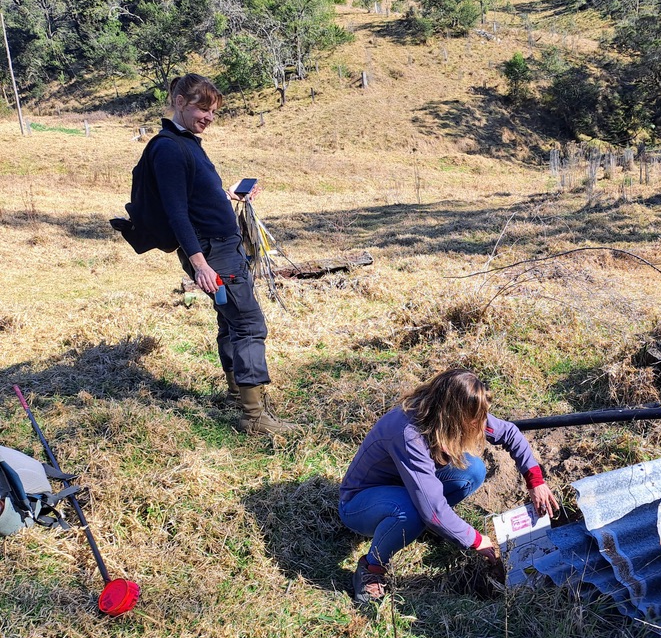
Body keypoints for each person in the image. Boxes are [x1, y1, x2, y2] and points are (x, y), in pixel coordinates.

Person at [152, 73, 297, 435]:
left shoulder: (186, 142)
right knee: (248, 325)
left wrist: (227, 195)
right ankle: (253, 417)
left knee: (229, 321)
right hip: (213, 251)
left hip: (220, 247)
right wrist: (199, 264)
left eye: (213, 111)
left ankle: (237, 392)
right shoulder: (169, 148)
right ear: (180, 101)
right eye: (203, 108)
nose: (209, 117)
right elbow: (176, 212)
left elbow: (196, 195)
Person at [338, 369, 559, 604]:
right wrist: (474, 539)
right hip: (360, 503)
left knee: (473, 471)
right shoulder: (408, 433)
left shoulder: (457, 412)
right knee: (413, 511)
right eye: (473, 419)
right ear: (452, 413)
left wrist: (536, 482)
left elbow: (511, 433)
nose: (479, 424)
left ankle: (427, 527)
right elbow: (432, 510)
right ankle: (372, 568)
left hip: (406, 489)